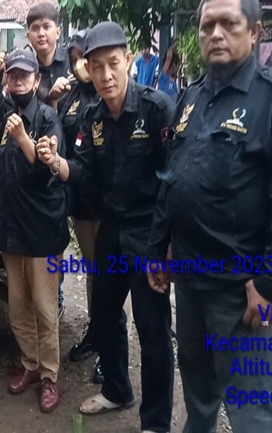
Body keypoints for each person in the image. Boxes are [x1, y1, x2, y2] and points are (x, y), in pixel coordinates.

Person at [147, 0, 272, 432]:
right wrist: (158, 248)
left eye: (229, 24)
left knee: (249, 406)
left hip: (240, 288)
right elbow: (172, 178)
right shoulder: (192, 97)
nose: (216, 34)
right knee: (198, 387)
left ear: (254, 32)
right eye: (207, 27)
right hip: (190, 278)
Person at [37, 21, 175, 431]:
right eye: (96, 66)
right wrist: (58, 163)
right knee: (104, 313)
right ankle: (117, 388)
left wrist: (168, 245)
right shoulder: (93, 116)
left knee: (152, 329)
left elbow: (175, 178)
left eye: (113, 63)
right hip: (111, 230)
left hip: (149, 234)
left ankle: (155, 422)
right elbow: (84, 171)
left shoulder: (156, 109)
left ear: (128, 61)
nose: (106, 74)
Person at [0, 48, 69, 413]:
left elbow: (46, 174)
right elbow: (0, 172)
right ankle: (30, 364)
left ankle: (49, 376)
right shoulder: (8, 120)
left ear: (37, 80)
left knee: (44, 309)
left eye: (24, 76)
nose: (18, 81)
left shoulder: (47, 119)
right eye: (12, 76)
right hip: (12, 229)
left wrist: (24, 137)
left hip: (42, 232)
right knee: (18, 307)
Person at [47, 29, 104, 382]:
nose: (80, 64)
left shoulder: (109, 94)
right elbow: (60, 140)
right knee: (93, 270)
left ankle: (109, 348)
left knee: (110, 275)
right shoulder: (71, 97)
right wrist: (53, 102)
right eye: (74, 59)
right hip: (81, 203)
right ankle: (96, 333)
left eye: (85, 57)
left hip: (109, 204)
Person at [0, 2, 71, 123]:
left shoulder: (73, 60)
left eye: (46, 27)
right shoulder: (25, 72)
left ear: (58, 32)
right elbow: (0, 114)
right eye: (35, 28)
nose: (41, 34)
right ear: (28, 36)